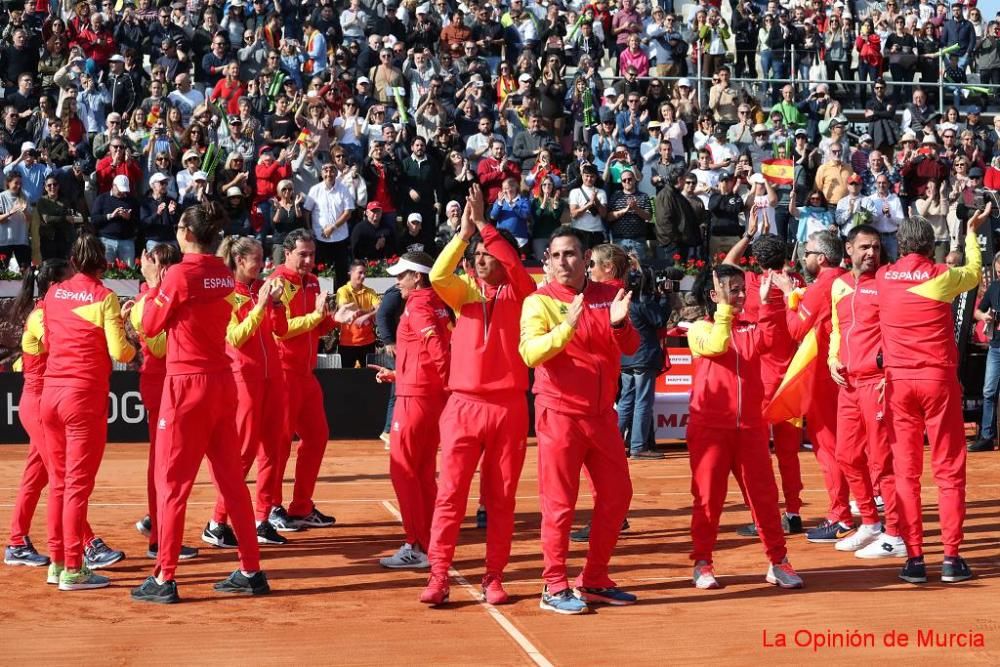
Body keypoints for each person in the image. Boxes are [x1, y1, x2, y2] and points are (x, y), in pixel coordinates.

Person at [132, 203, 269, 604]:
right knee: (231, 482)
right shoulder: (223, 274)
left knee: (172, 484)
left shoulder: (178, 274)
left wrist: (157, 285)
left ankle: (165, 578)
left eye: (177, 227)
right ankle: (251, 569)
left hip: (185, 385)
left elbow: (151, 326)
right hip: (220, 382)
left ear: (188, 234)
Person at [420, 184, 535, 606]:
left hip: (507, 406)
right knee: (451, 493)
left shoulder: (522, 294)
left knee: (501, 498)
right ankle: (438, 574)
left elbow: (516, 270)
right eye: (478, 258)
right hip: (464, 406)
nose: (483, 260)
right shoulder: (464, 294)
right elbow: (436, 275)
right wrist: (464, 234)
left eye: (490, 255)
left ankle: (494, 577)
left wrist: (486, 227)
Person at [519, 226, 639, 615]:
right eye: (555, 256)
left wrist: (620, 324)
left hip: (602, 416)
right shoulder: (538, 302)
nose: (562, 262)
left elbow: (632, 347)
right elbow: (530, 354)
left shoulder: (608, 296)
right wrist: (566, 326)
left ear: (586, 258)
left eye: (570, 254)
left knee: (618, 495)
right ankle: (554, 585)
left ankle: (594, 578)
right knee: (559, 505)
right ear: (547, 262)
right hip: (559, 415)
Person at [876, 207, 991, 585]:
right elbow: (975, 273)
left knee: (906, 473)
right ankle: (951, 558)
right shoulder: (939, 276)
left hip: (897, 383)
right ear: (929, 246)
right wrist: (972, 233)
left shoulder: (884, 276)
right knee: (948, 469)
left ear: (901, 243)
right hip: (936, 381)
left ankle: (914, 558)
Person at [685, 263, 803, 591]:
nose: (739, 295)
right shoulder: (699, 328)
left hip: (750, 427)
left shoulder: (750, 327)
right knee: (708, 499)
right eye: (732, 289)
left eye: (741, 289)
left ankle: (778, 561)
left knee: (764, 498)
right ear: (714, 295)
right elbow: (716, 346)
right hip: (710, 429)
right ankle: (703, 562)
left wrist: (768, 303)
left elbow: (771, 340)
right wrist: (724, 311)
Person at [4, 260, 123, 570]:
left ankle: (17, 541)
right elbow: (64, 343)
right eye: (71, 278)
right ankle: (87, 545)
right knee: (63, 479)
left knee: (38, 476)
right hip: (43, 402)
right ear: (57, 283)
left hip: (48, 401)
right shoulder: (43, 315)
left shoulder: (50, 311)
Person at [40, 234, 135, 591]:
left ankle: (56, 564)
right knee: (77, 487)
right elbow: (120, 353)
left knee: (60, 485)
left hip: (51, 393)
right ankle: (75, 570)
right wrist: (127, 327)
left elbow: (49, 342)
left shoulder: (52, 294)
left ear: (73, 261)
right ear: (103, 263)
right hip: (83, 398)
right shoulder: (105, 297)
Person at [199, 236, 290, 548]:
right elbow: (234, 338)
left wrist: (275, 304)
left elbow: (281, 330)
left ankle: (262, 518)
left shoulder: (260, 289)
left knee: (274, 449)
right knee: (243, 453)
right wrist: (262, 306)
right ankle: (217, 522)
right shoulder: (226, 294)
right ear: (239, 261)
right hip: (245, 378)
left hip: (272, 377)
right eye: (257, 259)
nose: (262, 264)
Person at [724, 211, 805, 536]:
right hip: (792, 381)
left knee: (756, 455)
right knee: (789, 453)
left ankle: (766, 515)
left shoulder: (753, 283)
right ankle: (795, 512)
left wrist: (747, 234)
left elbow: (727, 266)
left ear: (756, 260)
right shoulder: (794, 284)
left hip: (763, 383)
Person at [371, 251, 452, 571]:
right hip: (423, 394)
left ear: (417, 277)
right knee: (421, 473)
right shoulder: (435, 302)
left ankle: (416, 543)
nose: (397, 280)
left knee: (404, 472)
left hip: (415, 399)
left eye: (402, 275)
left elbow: (437, 352)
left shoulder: (418, 305)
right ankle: (429, 540)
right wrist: (399, 374)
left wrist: (446, 385)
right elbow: (432, 352)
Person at [827, 224, 904, 558]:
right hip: (848, 384)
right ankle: (870, 523)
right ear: (849, 249)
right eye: (864, 247)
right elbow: (836, 328)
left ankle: (897, 533)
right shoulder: (839, 285)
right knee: (846, 455)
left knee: (882, 461)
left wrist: (890, 371)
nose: (871, 253)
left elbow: (898, 330)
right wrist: (832, 358)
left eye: (875, 247)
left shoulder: (886, 283)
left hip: (876, 383)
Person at [776, 231, 854, 544]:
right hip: (848, 370)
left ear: (820, 258)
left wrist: (787, 297)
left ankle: (840, 516)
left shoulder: (823, 285)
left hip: (825, 376)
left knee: (829, 447)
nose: (803, 257)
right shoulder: (847, 279)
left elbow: (796, 329)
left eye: (807, 252)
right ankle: (861, 512)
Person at [125, 243, 200, 560]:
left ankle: (156, 523)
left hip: (168, 383)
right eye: (166, 265)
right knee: (165, 463)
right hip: (161, 384)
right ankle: (159, 538)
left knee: (167, 461)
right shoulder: (149, 298)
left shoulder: (153, 298)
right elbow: (157, 347)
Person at [267, 229, 344, 531]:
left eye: (312, 254)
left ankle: (301, 506)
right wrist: (315, 317)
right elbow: (281, 329)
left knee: (317, 436)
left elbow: (316, 327)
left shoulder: (312, 281)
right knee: (279, 444)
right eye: (303, 254)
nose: (310, 260)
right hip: (283, 373)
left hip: (305, 373)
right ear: (287, 253)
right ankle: (271, 506)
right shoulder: (278, 282)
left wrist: (336, 318)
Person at [971, 251, 1000, 452]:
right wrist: (985, 317)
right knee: (988, 391)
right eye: (998, 269)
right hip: (996, 347)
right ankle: (987, 436)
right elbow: (978, 311)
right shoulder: (994, 287)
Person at [336, 260, 381, 369]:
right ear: (350, 273)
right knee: (347, 378)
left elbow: (381, 309)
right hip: (347, 343)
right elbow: (346, 308)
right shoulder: (342, 291)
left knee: (370, 378)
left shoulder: (370, 291)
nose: (363, 276)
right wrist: (370, 311)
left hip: (368, 342)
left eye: (365, 273)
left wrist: (366, 314)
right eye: (360, 273)